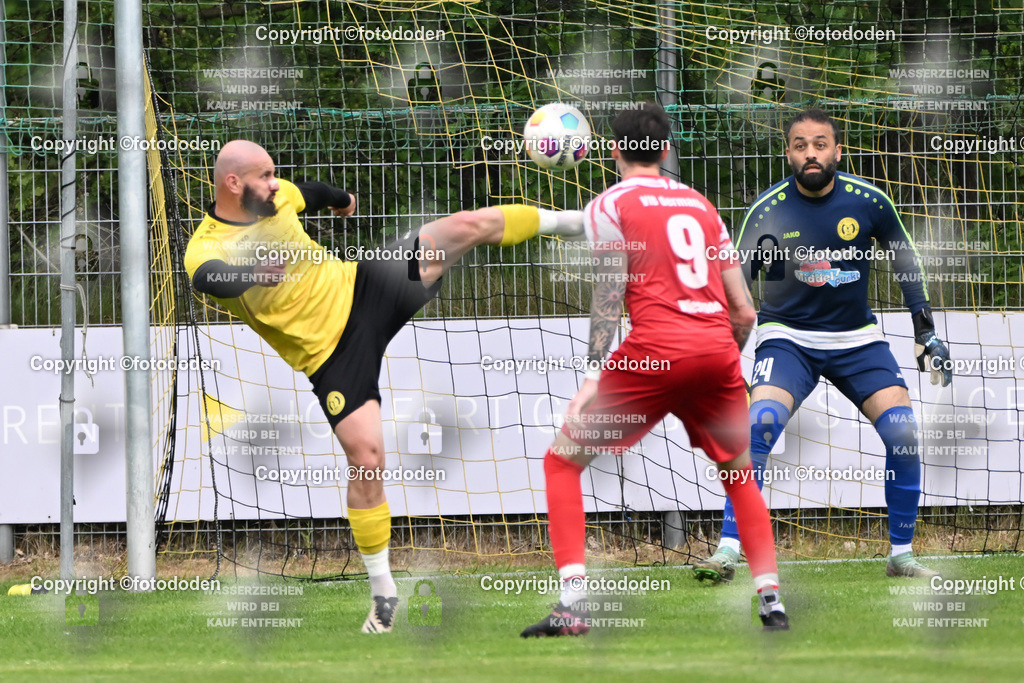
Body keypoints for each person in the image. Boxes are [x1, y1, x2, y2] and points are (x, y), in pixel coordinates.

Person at [184, 140, 583, 633]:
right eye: (265, 176)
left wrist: (342, 199)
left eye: (273, 175)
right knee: (367, 460)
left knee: (465, 226)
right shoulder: (206, 246)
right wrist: (254, 270)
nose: (274, 183)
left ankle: (584, 223)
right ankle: (383, 594)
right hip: (330, 355)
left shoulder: (277, 194)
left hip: (364, 286)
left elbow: (310, 190)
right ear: (233, 184)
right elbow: (211, 280)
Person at [521, 104, 789, 637]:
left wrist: (594, 375)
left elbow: (608, 294)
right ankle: (771, 602)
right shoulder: (701, 204)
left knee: (562, 461)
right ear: (666, 151)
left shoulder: (610, 203)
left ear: (613, 151)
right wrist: (722, 360)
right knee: (738, 475)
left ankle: (572, 605)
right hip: (715, 349)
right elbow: (745, 312)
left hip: (653, 354)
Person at [693, 108, 952, 584]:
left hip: (857, 340)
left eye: (819, 144)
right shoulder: (768, 211)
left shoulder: (869, 201)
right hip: (787, 337)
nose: (810, 153)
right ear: (788, 152)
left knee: (903, 434)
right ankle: (728, 550)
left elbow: (906, 262)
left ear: (837, 149)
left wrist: (925, 331)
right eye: (799, 145)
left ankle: (901, 556)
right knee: (758, 425)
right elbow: (736, 287)